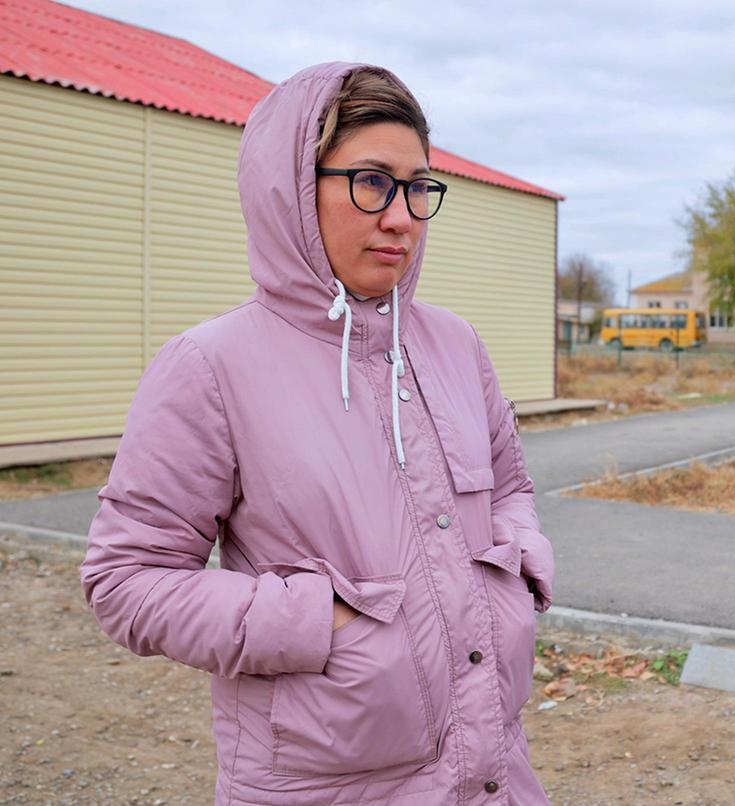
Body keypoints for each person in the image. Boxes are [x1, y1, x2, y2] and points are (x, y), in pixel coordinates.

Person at [81, 62, 554, 805]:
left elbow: (511, 490)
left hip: (491, 772)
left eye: (419, 187)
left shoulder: (455, 344)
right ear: (295, 190)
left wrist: (518, 570)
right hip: (321, 785)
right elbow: (124, 581)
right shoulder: (211, 366)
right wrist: (310, 621)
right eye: (371, 181)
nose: (400, 216)